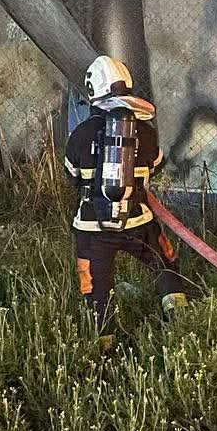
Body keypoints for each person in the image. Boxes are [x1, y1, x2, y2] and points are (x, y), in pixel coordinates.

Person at [64, 56, 188, 335]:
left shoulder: (80, 134)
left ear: (93, 89)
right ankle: (180, 324)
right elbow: (156, 166)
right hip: (138, 222)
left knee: (95, 289)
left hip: (92, 229)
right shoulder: (145, 131)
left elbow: (71, 175)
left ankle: (104, 343)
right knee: (165, 262)